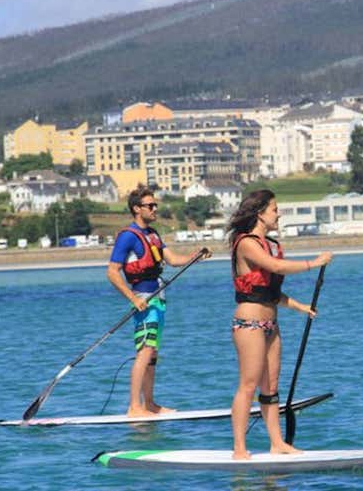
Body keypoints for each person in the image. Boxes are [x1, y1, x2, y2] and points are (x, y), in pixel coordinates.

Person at [226, 189, 333, 460]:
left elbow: (270, 293)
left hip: (271, 325)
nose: (279, 214)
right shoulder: (246, 243)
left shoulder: (272, 244)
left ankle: (277, 443)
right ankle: (239, 448)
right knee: (248, 384)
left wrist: (300, 306)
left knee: (271, 387)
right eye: (274, 209)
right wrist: (314, 263)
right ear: (259, 213)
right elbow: (276, 267)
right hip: (249, 323)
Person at [107, 184, 211, 417]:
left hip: (158, 298)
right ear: (137, 209)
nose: (155, 209)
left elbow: (172, 260)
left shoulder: (153, 234)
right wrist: (133, 299)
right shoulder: (127, 236)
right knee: (145, 351)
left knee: (152, 354)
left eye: (155, 205)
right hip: (143, 299)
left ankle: (150, 404)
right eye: (150, 205)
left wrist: (195, 256)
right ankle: (134, 407)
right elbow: (112, 272)